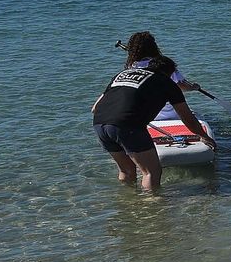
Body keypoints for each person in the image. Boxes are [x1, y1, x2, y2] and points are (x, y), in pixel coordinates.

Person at [92, 45, 214, 192]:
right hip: (127, 125)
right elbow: (187, 118)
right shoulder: (167, 82)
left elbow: (95, 108)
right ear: (169, 73)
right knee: (151, 172)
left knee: (127, 171)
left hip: (99, 123)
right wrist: (204, 137)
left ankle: (127, 203)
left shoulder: (123, 74)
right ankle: (152, 209)